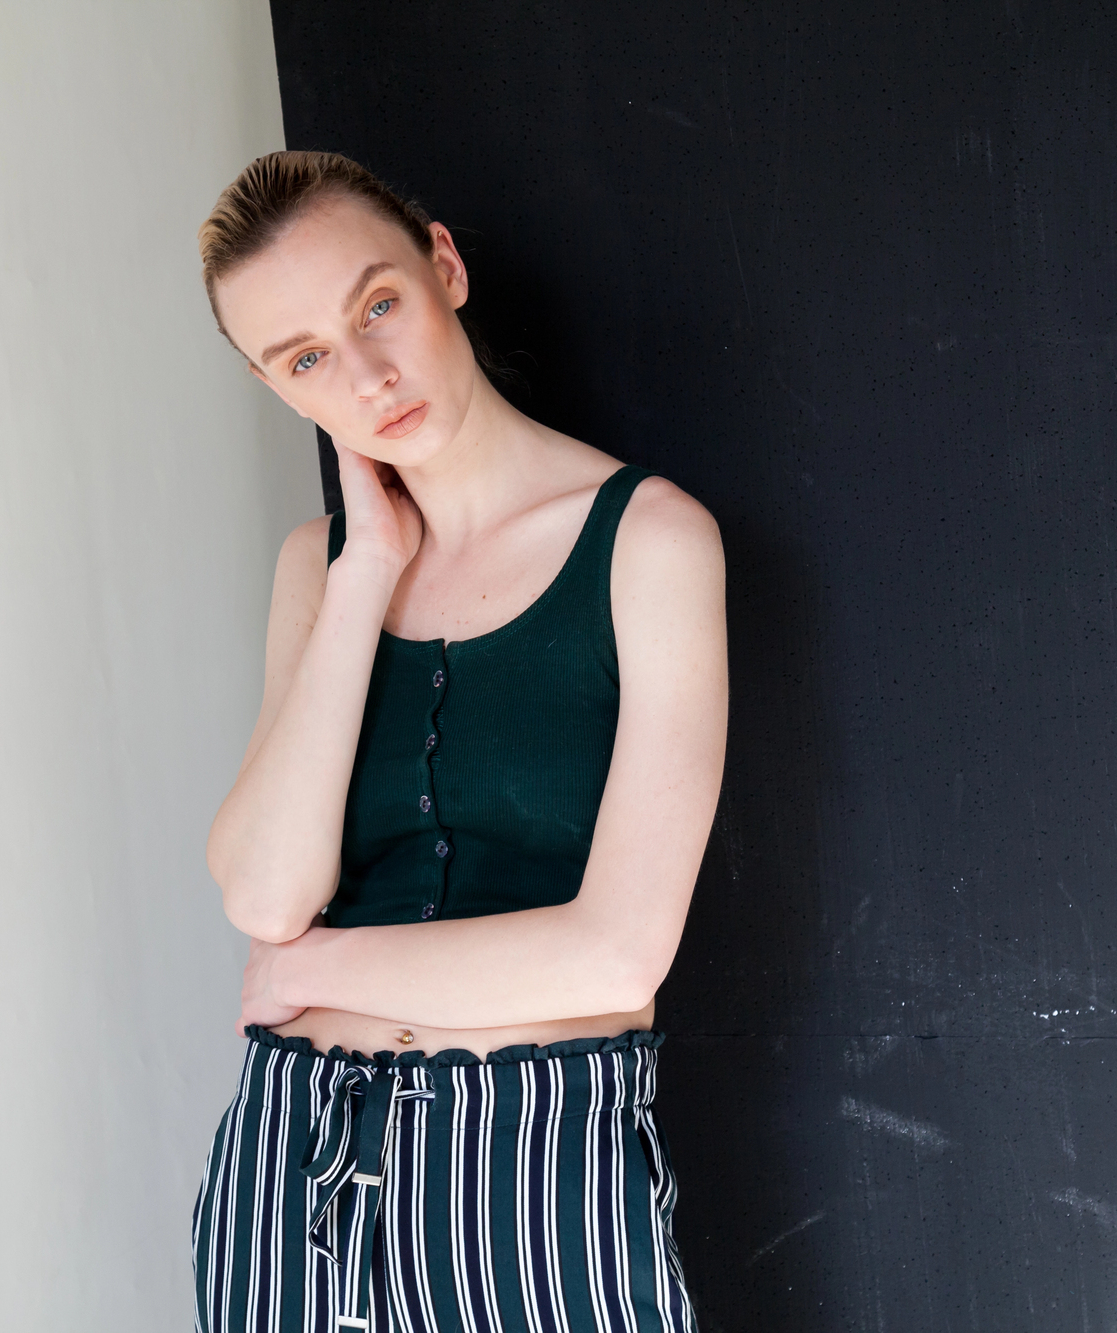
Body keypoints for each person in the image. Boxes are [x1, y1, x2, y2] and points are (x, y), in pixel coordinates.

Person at [187, 150, 727, 1333]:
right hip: (292, 1158)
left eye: (376, 304)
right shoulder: (316, 568)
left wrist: (309, 972)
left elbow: (618, 954)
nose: (367, 375)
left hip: (530, 1162)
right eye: (307, 359)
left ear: (443, 266)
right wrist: (367, 565)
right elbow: (267, 890)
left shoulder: (648, 541)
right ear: (282, 388)